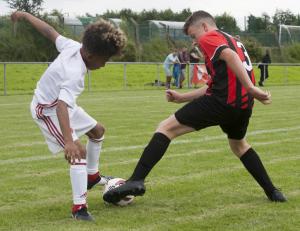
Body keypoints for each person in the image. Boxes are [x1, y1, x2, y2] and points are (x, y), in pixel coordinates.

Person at [103, 10, 287, 204]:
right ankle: (273, 192)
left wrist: (251, 88)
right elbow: (215, 82)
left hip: (221, 102)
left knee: (166, 128)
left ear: (205, 27)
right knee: (239, 145)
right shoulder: (233, 39)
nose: (195, 42)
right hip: (241, 106)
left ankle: (136, 180)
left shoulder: (209, 37)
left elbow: (230, 57)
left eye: (193, 36)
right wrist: (182, 97)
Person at [11, 11, 126, 221]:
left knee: (98, 131)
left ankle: (92, 176)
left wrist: (26, 16)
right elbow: (61, 106)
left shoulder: (73, 46)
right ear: (92, 56)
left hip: (62, 105)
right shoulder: (75, 73)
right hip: (47, 110)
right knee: (77, 153)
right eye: (106, 59)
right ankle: (79, 209)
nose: (105, 64)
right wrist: (69, 141)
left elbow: (49, 31)